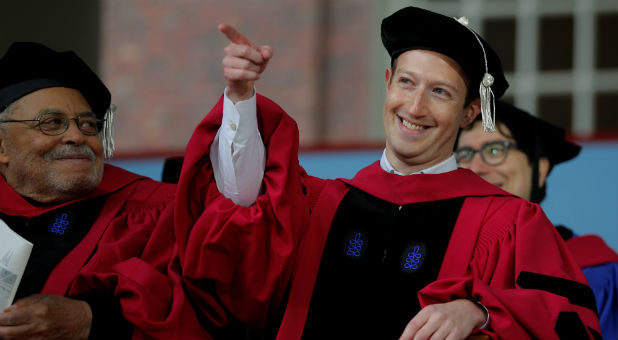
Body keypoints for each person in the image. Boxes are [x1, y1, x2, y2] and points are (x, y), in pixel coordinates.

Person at [173, 6, 602, 340]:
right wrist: (241, 97)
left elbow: (569, 321)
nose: (415, 108)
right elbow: (238, 226)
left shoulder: (509, 222)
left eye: (440, 92)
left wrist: (482, 310)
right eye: (407, 83)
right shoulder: (317, 204)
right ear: (387, 82)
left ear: (471, 112)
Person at [0, 42, 236, 339]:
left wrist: (93, 320)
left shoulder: (159, 212)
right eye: (51, 123)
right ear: (2, 147)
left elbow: (215, 312)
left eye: (88, 125)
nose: (76, 136)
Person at [455, 100, 618, 340]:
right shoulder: (446, 265)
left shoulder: (595, 273)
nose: (475, 168)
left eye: (495, 150)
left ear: (540, 169)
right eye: (465, 155)